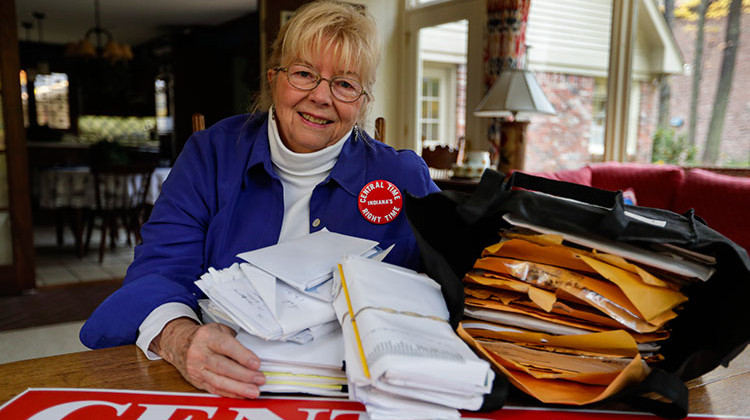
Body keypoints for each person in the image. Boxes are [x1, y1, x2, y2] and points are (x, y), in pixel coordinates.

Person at [80, 0, 439, 400]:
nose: (321, 96)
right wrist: (180, 339)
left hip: (359, 392)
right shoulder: (210, 154)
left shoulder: (404, 177)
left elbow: (457, 281)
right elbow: (159, 269)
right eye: (304, 74)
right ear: (274, 79)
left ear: (363, 101)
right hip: (225, 384)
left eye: (344, 83)